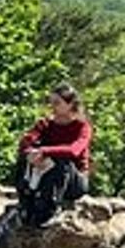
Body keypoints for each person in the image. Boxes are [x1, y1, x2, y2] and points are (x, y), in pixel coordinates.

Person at [13, 84, 91, 225]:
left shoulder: (82, 127)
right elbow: (25, 142)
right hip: (46, 175)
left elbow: (74, 151)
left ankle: (51, 210)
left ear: (70, 104)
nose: (52, 106)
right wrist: (31, 153)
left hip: (74, 182)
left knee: (62, 161)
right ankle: (25, 202)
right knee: (25, 157)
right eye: (51, 102)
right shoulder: (45, 124)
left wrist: (44, 151)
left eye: (57, 102)